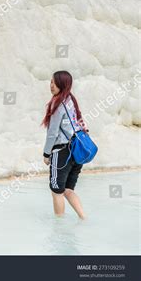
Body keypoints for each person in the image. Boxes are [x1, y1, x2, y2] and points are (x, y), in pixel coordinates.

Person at [42, 70, 86, 219]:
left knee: (56, 191)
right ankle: (83, 218)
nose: (51, 85)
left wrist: (46, 154)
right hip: (76, 151)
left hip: (61, 153)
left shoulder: (57, 104)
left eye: (54, 82)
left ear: (62, 84)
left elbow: (52, 133)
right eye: (51, 82)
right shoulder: (70, 100)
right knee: (68, 190)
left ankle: (59, 228)